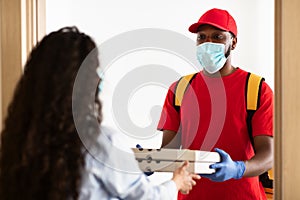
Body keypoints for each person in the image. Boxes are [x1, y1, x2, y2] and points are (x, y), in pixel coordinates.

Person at [0, 26, 200, 200]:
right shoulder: (101, 142)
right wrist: (176, 182)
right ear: (83, 82)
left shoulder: (17, 142)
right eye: (95, 69)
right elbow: (145, 197)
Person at [157, 8, 273, 200]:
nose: (207, 43)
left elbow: (269, 156)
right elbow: (169, 151)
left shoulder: (256, 89)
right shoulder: (179, 89)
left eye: (218, 37)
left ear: (233, 43)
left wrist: (237, 169)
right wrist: (149, 161)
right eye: (201, 37)